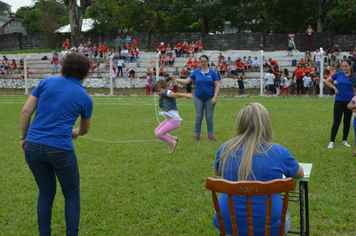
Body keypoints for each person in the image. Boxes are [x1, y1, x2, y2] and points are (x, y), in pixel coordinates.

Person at [20, 53, 93, 236]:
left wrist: (24, 138)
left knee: (45, 192)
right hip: (60, 149)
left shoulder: (46, 82)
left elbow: (25, 112)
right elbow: (84, 130)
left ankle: (44, 233)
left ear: (63, 68)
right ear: (85, 74)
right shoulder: (85, 97)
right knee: (71, 194)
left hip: (33, 147)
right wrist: (74, 132)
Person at [212, 102, 304, 236]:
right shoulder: (279, 152)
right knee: (284, 215)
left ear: (240, 123)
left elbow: (217, 171)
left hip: (228, 225)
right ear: (266, 124)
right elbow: (300, 173)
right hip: (271, 227)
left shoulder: (226, 148)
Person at [174, 55, 220, 141]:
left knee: (209, 117)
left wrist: (215, 97)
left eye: (204, 61)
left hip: (210, 98)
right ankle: (197, 135)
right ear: (199, 62)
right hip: (198, 97)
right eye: (201, 61)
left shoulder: (212, 72)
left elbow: (217, 86)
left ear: (208, 61)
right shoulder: (196, 72)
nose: (203, 63)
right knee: (199, 116)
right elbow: (186, 81)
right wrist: (175, 79)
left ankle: (211, 135)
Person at [151, 78, 193, 154]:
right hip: (169, 120)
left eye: (159, 91)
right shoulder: (165, 93)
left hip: (174, 121)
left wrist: (186, 95)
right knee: (156, 131)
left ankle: (171, 142)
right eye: (156, 92)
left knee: (159, 134)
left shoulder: (167, 92)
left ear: (165, 88)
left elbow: (176, 95)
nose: (158, 93)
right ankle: (173, 138)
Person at [324, 59, 356, 148]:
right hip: (339, 100)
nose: (344, 68)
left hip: (350, 102)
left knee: (347, 121)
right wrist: (334, 88)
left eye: (346, 66)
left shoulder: (354, 76)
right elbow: (326, 81)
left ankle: (344, 140)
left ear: (350, 66)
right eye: (343, 66)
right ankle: (332, 141)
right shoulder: (338, 74)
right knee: (336, 121)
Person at [347, 84, 356, 156]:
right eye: (354, 92)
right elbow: (349, 106)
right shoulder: (354, 98)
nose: (355, 93)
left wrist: (353, 108)